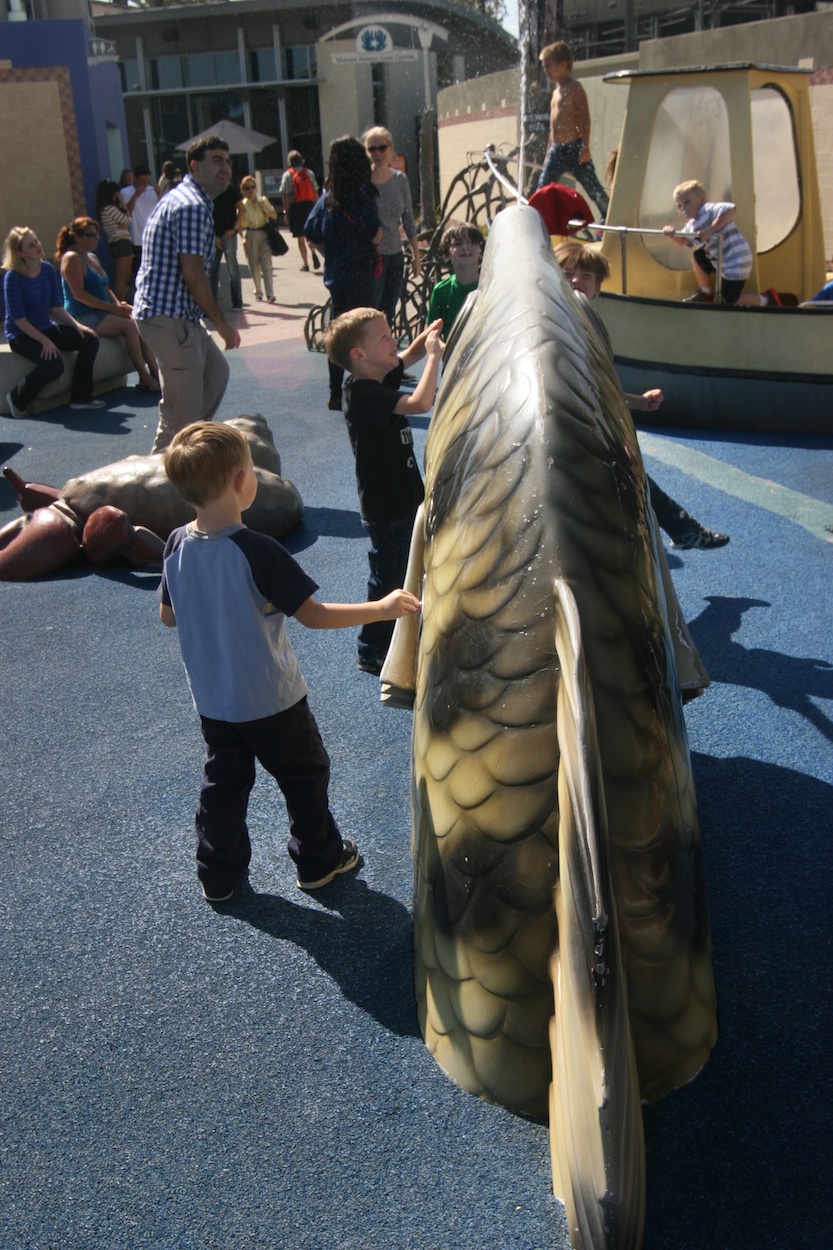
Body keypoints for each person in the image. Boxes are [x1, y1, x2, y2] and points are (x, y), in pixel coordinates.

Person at [158, 420, 420, 901]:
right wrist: (383, 608)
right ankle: (319, 860)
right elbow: (314, 617)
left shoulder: (176, 544)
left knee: (224, 784)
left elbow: (168, 617)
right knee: (305, 773)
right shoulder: (257, 550)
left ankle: (217, 873)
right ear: (241, 482)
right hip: (270, 698)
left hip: (214, 702)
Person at [554, 241, 730, 549]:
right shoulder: (557, 326)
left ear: (597, 288)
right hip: (564, 427)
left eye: (585, 276)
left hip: (585, 425)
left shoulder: (591, 328)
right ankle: (680, 529)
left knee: (629, 476)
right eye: (566, 273)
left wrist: (637, 402)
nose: (575, 281)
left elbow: (598, 388)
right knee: (624, 477)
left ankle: (681, 529)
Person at [323, 307, 444, 673]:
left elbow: (405, 357)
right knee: (389, 577)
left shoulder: (371, 374)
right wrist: (435, 358)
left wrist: (426, 338)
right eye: (385, 338)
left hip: (404, 496)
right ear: (359, 355)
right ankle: (372, 648)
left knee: (409, 570)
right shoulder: (363, 393)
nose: (395, 342)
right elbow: (421, 402)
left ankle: (403, 633)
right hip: (387, 507)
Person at [132, 134, 242, 454]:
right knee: (180, 414)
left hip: (175, 313)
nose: (225, 168)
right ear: (195, 166)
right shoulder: (192, 206)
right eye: (216, 161)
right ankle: (159, 479)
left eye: (227, 161)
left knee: (216, 374)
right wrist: (221, 322)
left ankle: (185, 447)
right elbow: (193, 274)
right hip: (170, 316)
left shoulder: (183, 198)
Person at [304, 136, 383, 411]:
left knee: (337, 331)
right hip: (360, 273)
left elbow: (310, 231)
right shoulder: (363, 193)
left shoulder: (328, 197)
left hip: (336, 275)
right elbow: (373, 232)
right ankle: (368, 386)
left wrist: (330, 254)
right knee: (364, 330)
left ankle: (335, 392)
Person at [3, 225, 103, 418]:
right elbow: (20, 320)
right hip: (21, 334)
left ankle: (80, 398)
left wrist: (78, 326)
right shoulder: (13, 278)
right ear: (19, 252)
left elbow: (56, 308)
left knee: (89, 340)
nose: (37, 246)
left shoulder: (47, 269)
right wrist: (45, 341)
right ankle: (17, 397)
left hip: (46, 327)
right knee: (54, 365)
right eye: (31, 245)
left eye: (37, 241)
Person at [56, 217, 160, 392]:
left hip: (103, 311)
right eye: (91, 235)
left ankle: (156, 372)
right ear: (78, 237)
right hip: (83, 314)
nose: (97, 238)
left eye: (97, 235)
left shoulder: (92, 258)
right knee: (130, 327)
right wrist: (112, 309)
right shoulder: (72, 258)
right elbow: (79, 295)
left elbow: (105, 287)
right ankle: (144, 377)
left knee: (138, 321)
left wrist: (119, 305)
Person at [663, 180, 778, 307]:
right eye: (679, 206)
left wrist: (712, 228)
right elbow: (682, 242)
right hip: (721, 261)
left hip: (736, 260)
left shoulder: (708, 209)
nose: (683, 208)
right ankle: (705, 291)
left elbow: (729, 209)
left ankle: (766, 299)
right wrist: (672, 234)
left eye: (687, 202)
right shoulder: (691, 225)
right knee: (698, 256)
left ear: (702, 199)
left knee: (729, 300)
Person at [537, 41, 609, 220]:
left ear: (563, 65)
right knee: (543, 186)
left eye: (548, 65)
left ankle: (608, 214)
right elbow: (553, 127)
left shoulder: (575, 88)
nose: (545, 70)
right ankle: (538, 218)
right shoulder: (556, 91)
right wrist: (548, 151)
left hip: (575, 148)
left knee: (593, 187)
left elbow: (585, 118)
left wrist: (585, 146)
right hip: (556, 149)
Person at [363, 126, 422, 329]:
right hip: (371, 258)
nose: (378, 153)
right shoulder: (363, 181)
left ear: (391, 149)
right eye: (372, 149)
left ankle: (385, 356)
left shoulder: (400, 180)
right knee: (372, 313)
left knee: (389, 310)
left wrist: (416, 255)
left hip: (395, 256)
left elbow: (408, 217)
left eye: (382, 147)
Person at [425, 223, 484, 337]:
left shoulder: (490, 287)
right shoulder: (441, 291)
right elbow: (430, 334)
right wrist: (444, 350)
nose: (465, 247)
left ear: (481, 252)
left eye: (472, 242)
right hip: (450, 354)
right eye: (458, 244)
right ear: (446, 254)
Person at [279, 151, 320, 272]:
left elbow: (285, 195)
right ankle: (313, 251)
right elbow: (316, 191)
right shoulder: (309, 173)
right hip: (309, 206)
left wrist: (286, 212)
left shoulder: (287, 175)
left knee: (300, 237)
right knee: (309, 235)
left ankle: (305, 264)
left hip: (296, 207)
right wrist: (317, 208)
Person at [239, 175, 278, 303]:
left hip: (264, 233)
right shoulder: (242, 205)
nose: (251, 190)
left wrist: (265, 209)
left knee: (266, 264)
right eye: (247, 188)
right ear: (243, 190)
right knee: (254, 265)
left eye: (253, 187)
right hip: (250, 234)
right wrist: (243, 238)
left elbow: (274, 215)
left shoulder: (263, 200)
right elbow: (239, 224)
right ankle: (258, 291)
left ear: (256, 188)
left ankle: (270, 292)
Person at [94, 180, 134, 302]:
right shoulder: (109, 208)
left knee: (125, 274)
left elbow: (123, 222)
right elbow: (127, 220)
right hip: (121, 242)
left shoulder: (104, 209)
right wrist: (123, 204)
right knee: (122, 276)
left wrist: (123, 222)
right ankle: (121, 302)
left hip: (116, 242)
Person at [209, 179, 245, 310]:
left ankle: (237, 301)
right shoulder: (207, 189)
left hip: (228, 233)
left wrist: (234, 228)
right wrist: (212, 236)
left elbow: (242, 209)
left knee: (231, 268)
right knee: (212, 270)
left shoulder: (228, 188)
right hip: (214, 235)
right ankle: (211, 304)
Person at [123, 164, 159, 277]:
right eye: (142, 181)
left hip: (154, 237)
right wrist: (136, 194)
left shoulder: (153, 191)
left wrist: (159, 194)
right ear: (136, 178)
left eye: (147, 181)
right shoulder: (126, 192)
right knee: (139, 270)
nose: (145, 184)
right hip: (137, 238)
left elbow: (164, 209)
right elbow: (127, 210)